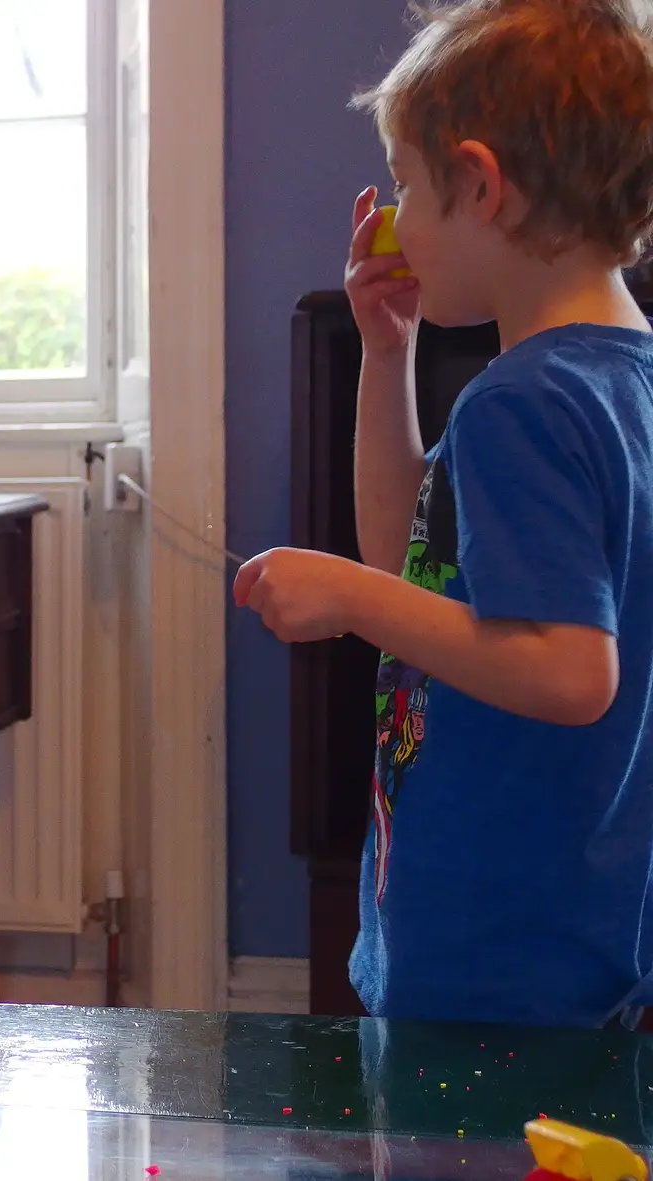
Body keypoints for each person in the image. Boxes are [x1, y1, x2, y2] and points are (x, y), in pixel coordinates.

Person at [235, 0, 653, 1026]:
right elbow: (415, 560)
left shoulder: (522, 400)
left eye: (411, 186)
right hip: (581, 928)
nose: (397, 221)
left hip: (488, 945)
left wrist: (347, 596)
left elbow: (565, 667)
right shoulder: (617, 379)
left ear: (480, 185)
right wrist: (387, 354)